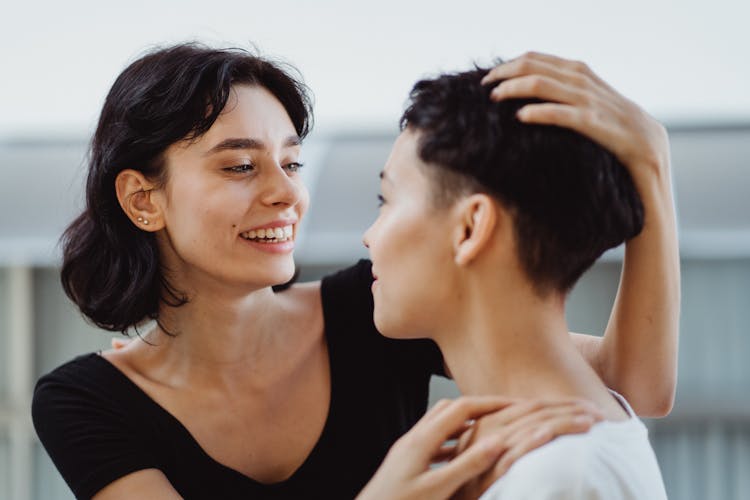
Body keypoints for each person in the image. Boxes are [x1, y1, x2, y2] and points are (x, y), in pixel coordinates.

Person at [30, 45, 678, 499]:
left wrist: (652, 169)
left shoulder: (372, 312)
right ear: (144, 200)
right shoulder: (86, 404)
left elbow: (632, 385)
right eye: (239, 166)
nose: (286, 193)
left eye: (291, 163)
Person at [360, 53, 675, 499]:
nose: (368, 237)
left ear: (469, 229)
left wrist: (652, 162)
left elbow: (641, 381)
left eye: (384, 200)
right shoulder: (549, 458)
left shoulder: (560, 476)